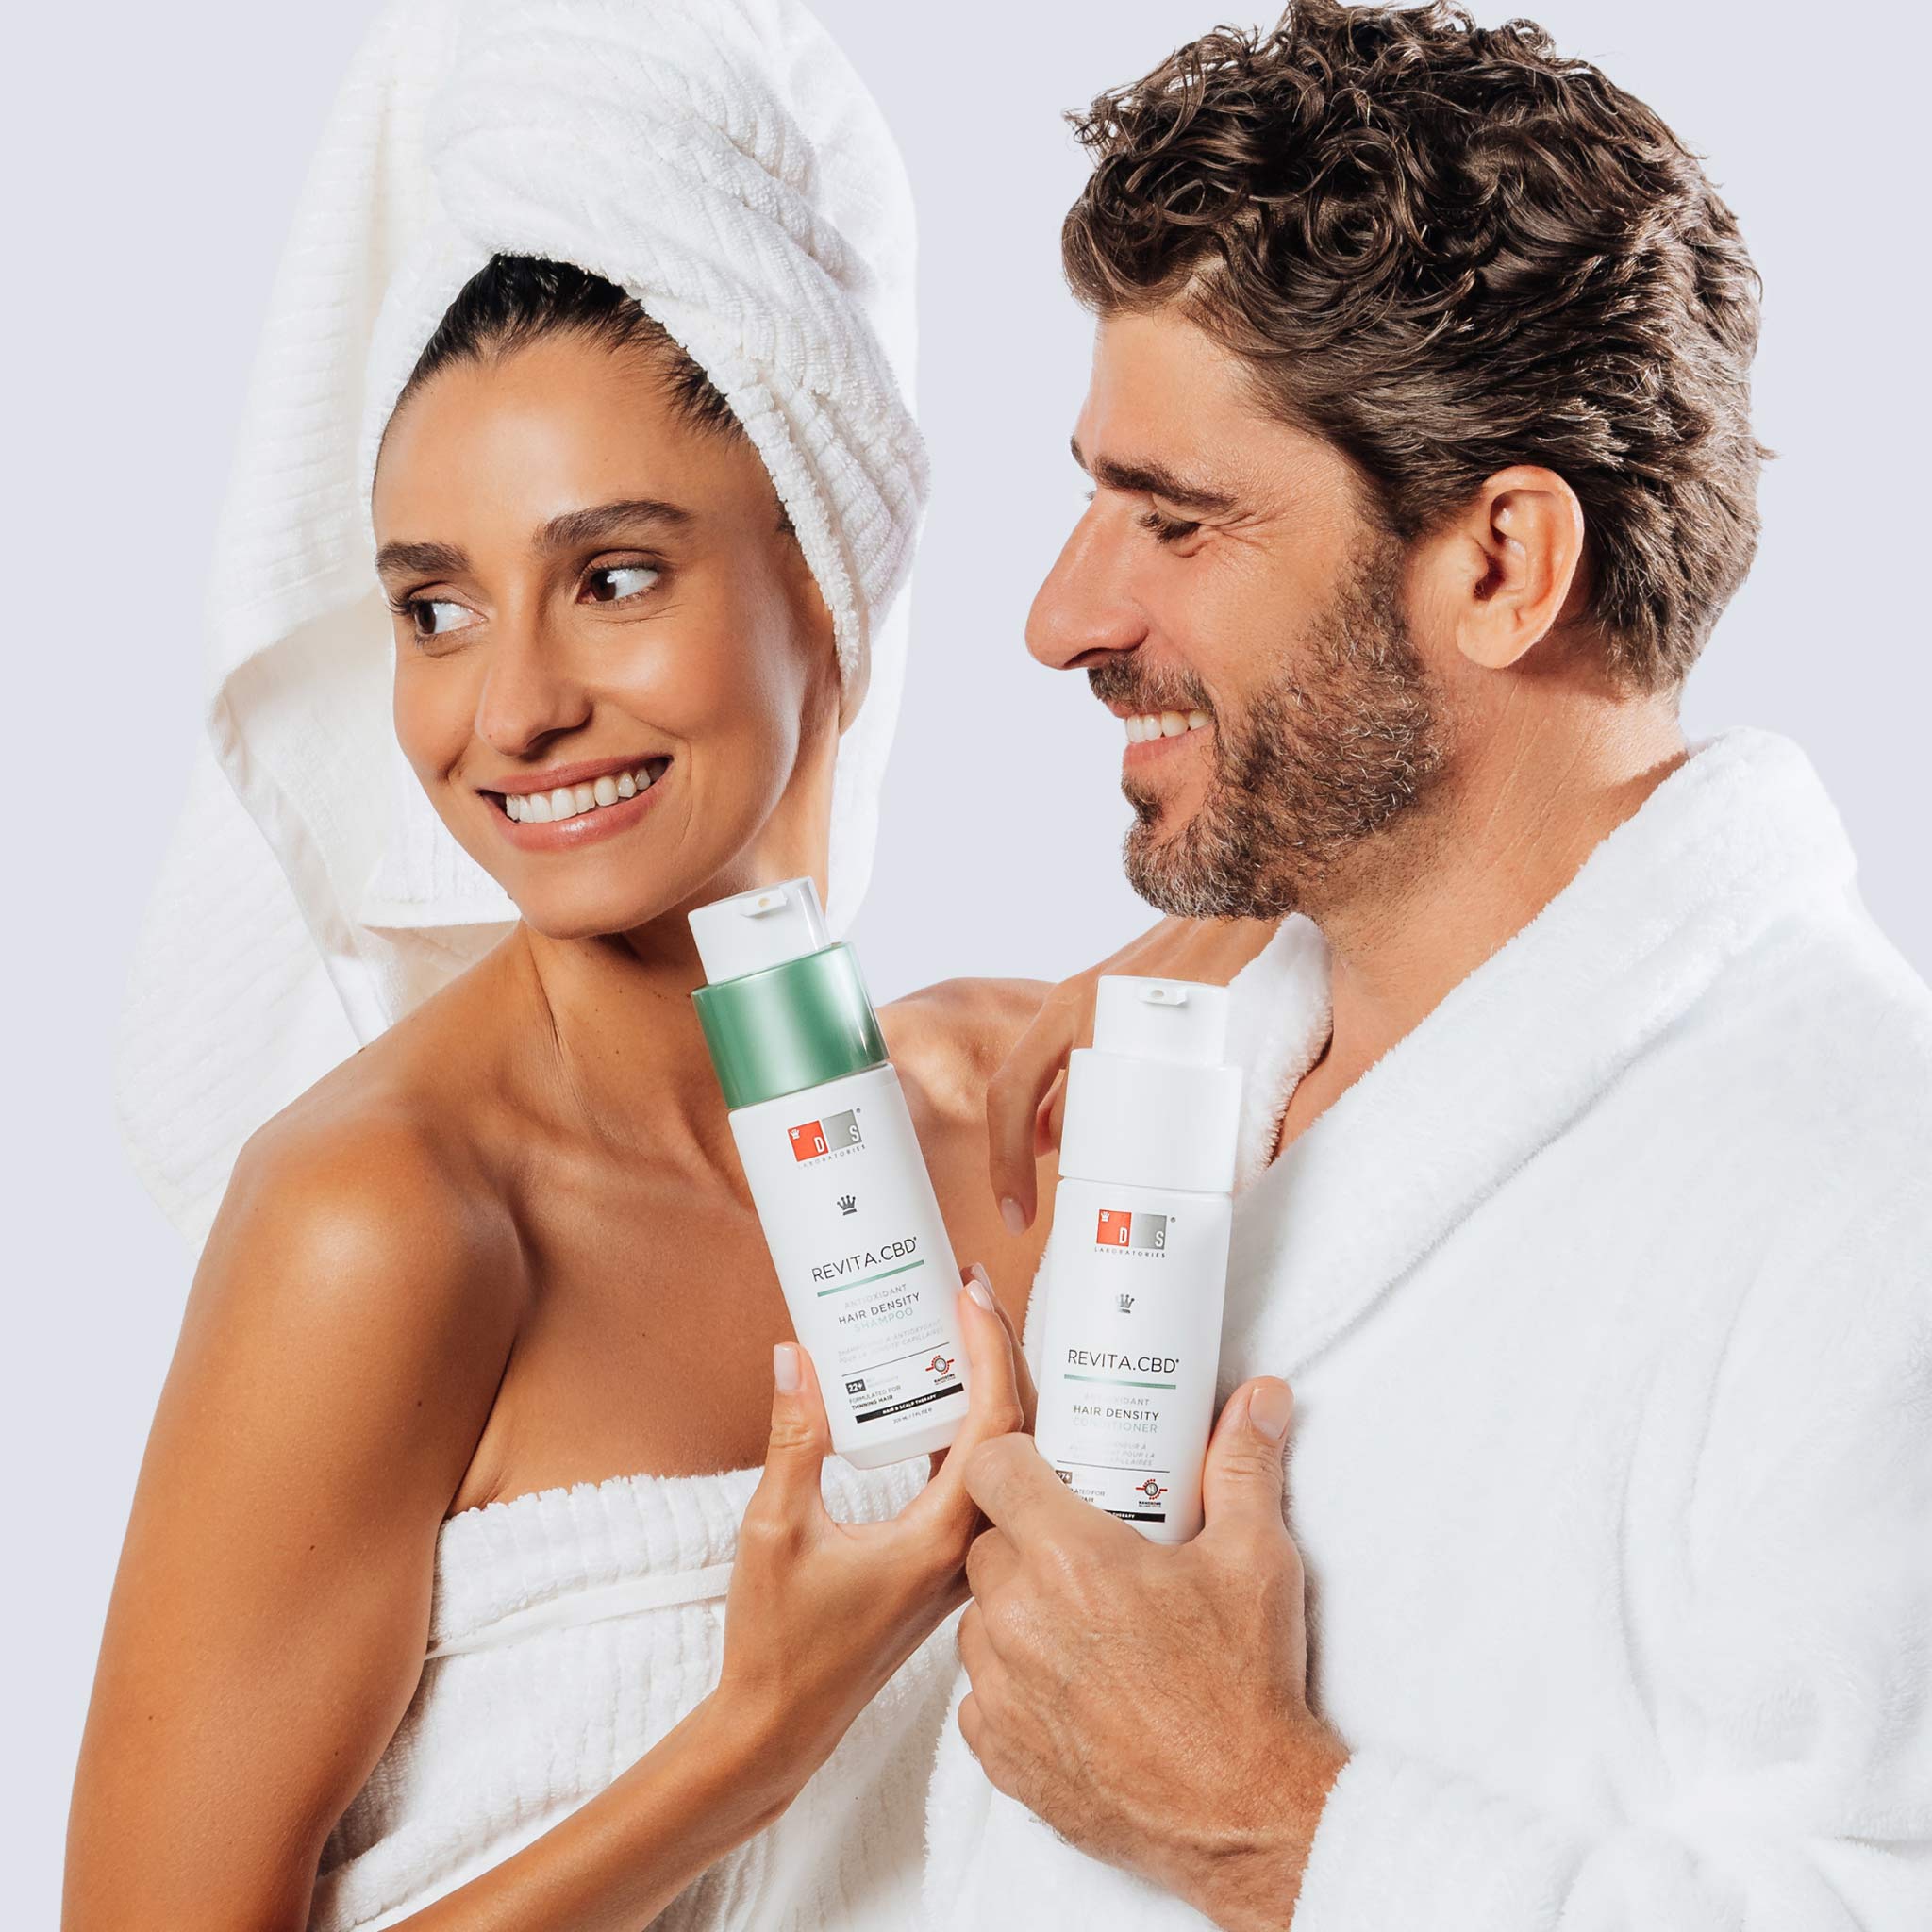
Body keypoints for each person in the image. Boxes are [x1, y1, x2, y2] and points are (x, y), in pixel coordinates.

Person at [925, 4, 1932, 1929]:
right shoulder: (1207, 1072)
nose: (1061, 616)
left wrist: (1267, 1824)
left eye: (1175, 520)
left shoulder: (1866, 1210)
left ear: (1499, 565)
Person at [66, 3, 1062, 1926]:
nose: (509, 710)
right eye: (436, 610)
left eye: (611, 578)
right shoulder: (390, 1223)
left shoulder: (1030, 1126)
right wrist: (750, 1736)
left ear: (827, 577)